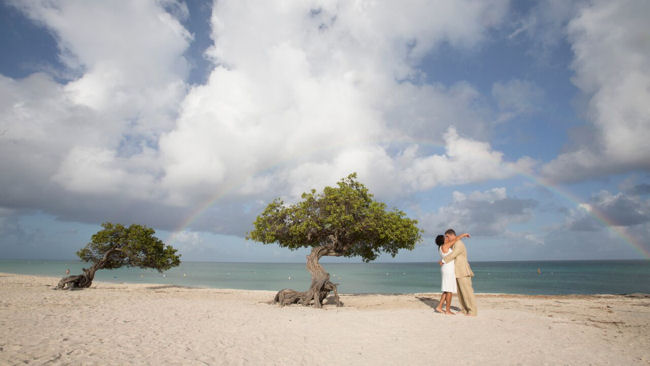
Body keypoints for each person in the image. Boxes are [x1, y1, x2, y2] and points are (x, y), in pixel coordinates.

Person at [439, 229, 477, 316]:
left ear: (452, 235)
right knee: (461, 293)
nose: (446, 238)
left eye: (447, 236)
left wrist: (443, 260)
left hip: (463, 271)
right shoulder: (454, 244)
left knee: (467, 292)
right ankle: (464, 309)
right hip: (457, 271)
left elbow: (454, 254)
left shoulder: (458, 244)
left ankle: (472, 311)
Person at [434, 233, 470, 314]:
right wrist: (464, 234)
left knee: (446, 290)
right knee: (449, 291)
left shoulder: (440, 247)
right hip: (448, 270)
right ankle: (447, 310)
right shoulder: (445, 246)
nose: (446, 238)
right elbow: (456, 239)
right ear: (443, 241)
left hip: (446, 268)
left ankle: (439, 307)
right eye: (445, 238)